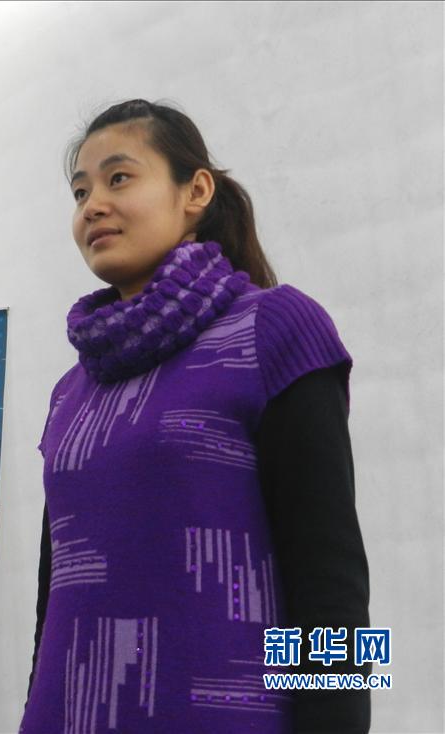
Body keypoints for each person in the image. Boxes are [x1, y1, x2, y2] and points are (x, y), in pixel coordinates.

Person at [21, 100, 370, 733]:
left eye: (118, 178)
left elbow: (330, 579)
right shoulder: (71, 390)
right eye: (80, 192)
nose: (92, 205)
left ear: (196, 190)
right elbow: (56, 600)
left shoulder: (276, 328)